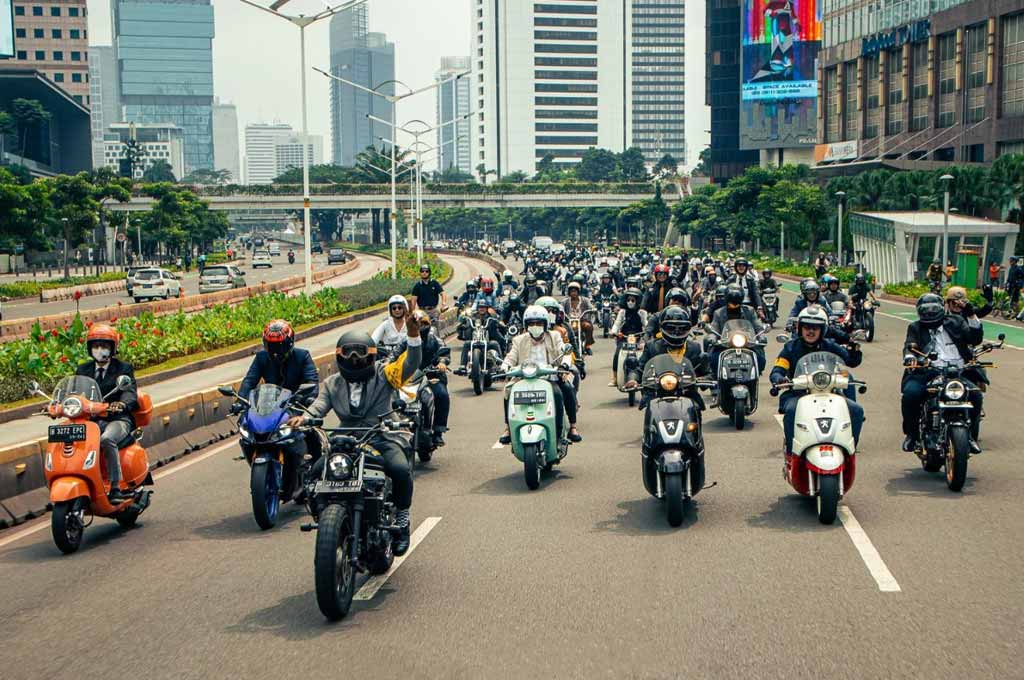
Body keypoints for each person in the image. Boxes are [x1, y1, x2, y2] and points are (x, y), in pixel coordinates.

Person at [289, 313, 424, 555]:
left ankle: (402, 520)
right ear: (339, 356)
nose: (354, 359)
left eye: (360, 354)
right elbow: (318, 406)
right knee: (314, 475)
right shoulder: (332, 383)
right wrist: (305, 418)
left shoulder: (385, 375)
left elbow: (410, 364)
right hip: (346, 438)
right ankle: (327, 519)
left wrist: (413, 335)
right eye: (349, 354)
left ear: (371, 356)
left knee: (401, 469)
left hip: (382, 434)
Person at [770, 306, 864, 457]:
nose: (811, 331)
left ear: (823, 330)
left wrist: (855, 349)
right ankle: (791, 454)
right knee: (791, 411)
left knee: (856, 411)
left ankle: (849, 452)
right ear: (800, 328)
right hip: (798, 394)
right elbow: (777, 369)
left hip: (829, 393)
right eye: (807, 327)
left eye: (815, 328)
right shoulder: (790, 348)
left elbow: (850, 360)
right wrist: (779, 378)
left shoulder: (830, 346)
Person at [899, 293, 983, 454]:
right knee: (911, 394)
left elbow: (974, 338)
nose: (930, 312)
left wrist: (971, 315)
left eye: (934, 309)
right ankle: (912, 435)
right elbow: (910, 344)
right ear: (919, 311)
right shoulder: (915, 327)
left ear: (942, 308)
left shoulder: (956, 322)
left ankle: (970, 436)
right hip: (927, 371)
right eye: (926, 309)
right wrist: (910, 358)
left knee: (976, 395)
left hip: (957, 372)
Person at [237, 320, 321, 480]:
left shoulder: (302, 356)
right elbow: (249, 381)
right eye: (271, 345)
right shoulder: (261, 358)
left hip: (295, 406)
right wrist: (240, 401)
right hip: (267, 407)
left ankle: (316, 474)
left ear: (289, 342)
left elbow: (312, 381)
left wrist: (307, 397)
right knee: (248, 432)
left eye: (279, 345)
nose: (276, 351)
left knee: (311, 434)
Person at [498, 304, 582, 444]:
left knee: (563, 391)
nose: (535, 326)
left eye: (538, 323)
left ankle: (570, 428)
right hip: (524, 378)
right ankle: (508, 428)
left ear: (545, 324)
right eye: (532, 323)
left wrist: (564, 364)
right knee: (509, 390)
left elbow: (564, 352)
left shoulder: (554, 336)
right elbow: (511, 357)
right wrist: (504, 367)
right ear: (526, 325)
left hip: (549, 378)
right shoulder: (519, 340)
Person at [75, 324, 139, 504]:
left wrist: (122, 404)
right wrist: (58, 405)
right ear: (90, 348)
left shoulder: (123, 368)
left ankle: (116, 487)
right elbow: (75, 393)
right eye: (95, 346)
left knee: (106, 440)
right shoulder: (83, 370)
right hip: (91, 420)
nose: (99, 350)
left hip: (117, 419)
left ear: (113, 348)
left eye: (104, 346)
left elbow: (130, 392)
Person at [624, 306, 708, 407]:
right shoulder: (652, 347)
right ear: (661, 328)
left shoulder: (694, 348)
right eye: (671, 328)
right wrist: (632, 379)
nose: (676, 332)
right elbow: (639, 368)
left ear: (688, 329)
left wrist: (704, 378)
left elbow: (706, 372)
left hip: (687, 394)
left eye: (682, 328)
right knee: (649, 408)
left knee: (697, 408)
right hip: (657, 394)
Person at [390, 310, 449, 447]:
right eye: (417, 324)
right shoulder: (406, 341)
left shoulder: (434, 339)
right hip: (409, 378)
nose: (420, 326)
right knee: (391, 396)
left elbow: (444, 351)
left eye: (423, 323)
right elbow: (393, 355)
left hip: (431, 376)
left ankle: (438, 431)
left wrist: (442, 363)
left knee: (441, 395)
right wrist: (387, 364)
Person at [707, 285, 766, 374]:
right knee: (714, 359)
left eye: (737, 302)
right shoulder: (718, 313)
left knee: (760, 358)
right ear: (726, 300)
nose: (734, 304)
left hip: (746, 344)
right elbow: (714, 328)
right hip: (725, 345)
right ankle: (716, 376)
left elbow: (758, 326)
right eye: (731, 302)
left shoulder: (750, 311)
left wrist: (761, 336)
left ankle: (756, 375)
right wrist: (712, 338)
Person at [609, 287, 649, 386]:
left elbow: (646, 324)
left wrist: (647, 334)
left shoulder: (642, 313)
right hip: (624, 337)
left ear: (638, 301)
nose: (630, 302)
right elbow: (617, 324)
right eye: (628, 300)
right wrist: (614, 332)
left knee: (646, 355)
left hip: (638, 337)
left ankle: (646, 377)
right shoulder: (622, 312)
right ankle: (614, 378)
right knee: (617, 354)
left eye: (633, 300)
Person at [562, 281, 595, 354]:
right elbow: (560, 308)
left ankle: (587, 346)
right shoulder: (565, 301)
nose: (573, 293)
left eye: (575, 291)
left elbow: (591, 307)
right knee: (562, 330)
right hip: (568, 321)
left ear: (578, 292)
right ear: (569, 292)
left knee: (588, 326)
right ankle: (564, 346)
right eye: (571, 291)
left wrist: (592, 309)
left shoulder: (585, 300)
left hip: (581, 320)